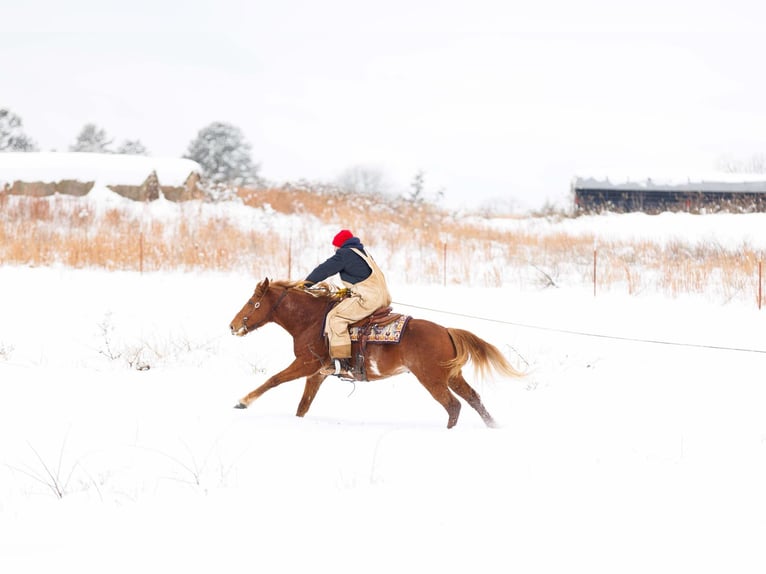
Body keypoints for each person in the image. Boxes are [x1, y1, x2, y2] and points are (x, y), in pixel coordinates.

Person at [305, 229, 392, 376]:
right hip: (382, 297)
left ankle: (341, 362)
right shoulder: (362, 253)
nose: (334, 249)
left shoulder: (344, 254)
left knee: (335, 318)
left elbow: (324, 270)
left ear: (340, 245)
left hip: (368, 299)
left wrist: (305, 284)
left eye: (335, 246)